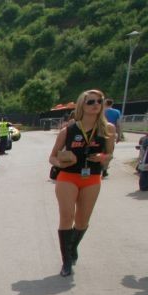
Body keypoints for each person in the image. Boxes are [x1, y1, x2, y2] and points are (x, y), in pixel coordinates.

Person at [48, 89, 114, 277]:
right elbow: (52, 157)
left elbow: (110, 154)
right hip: (68, 177)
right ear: (81, 105)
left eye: (99, 101)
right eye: (91, 102)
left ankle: (72, 247)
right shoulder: (68, 130)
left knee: (82, 221)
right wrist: (60, 163)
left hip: (92, 178)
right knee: (67, 216)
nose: (96, 105)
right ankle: (66, 261)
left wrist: (102, 157)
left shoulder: (108, 129)